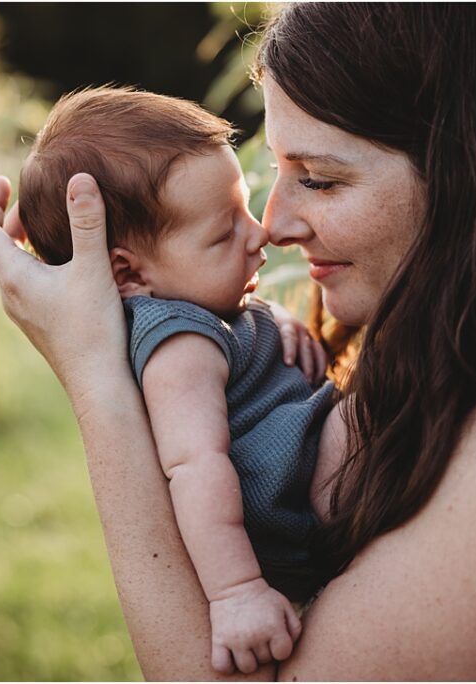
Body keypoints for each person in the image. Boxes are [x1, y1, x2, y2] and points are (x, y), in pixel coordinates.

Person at [0, 4, 476, 680]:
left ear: (475, 170)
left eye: (319, 179)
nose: (274, 226)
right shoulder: (457, 336)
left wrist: (97, 377)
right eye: (278, 170)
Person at [17, 86, 336, 671]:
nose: (258, 233)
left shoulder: (199, 306)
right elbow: (195, 467)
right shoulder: (179, 344)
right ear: (127, 274)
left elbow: (239, 347)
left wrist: (279, 321)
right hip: (291, 511)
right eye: (223, 233)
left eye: (243, 209)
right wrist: (237, 592)